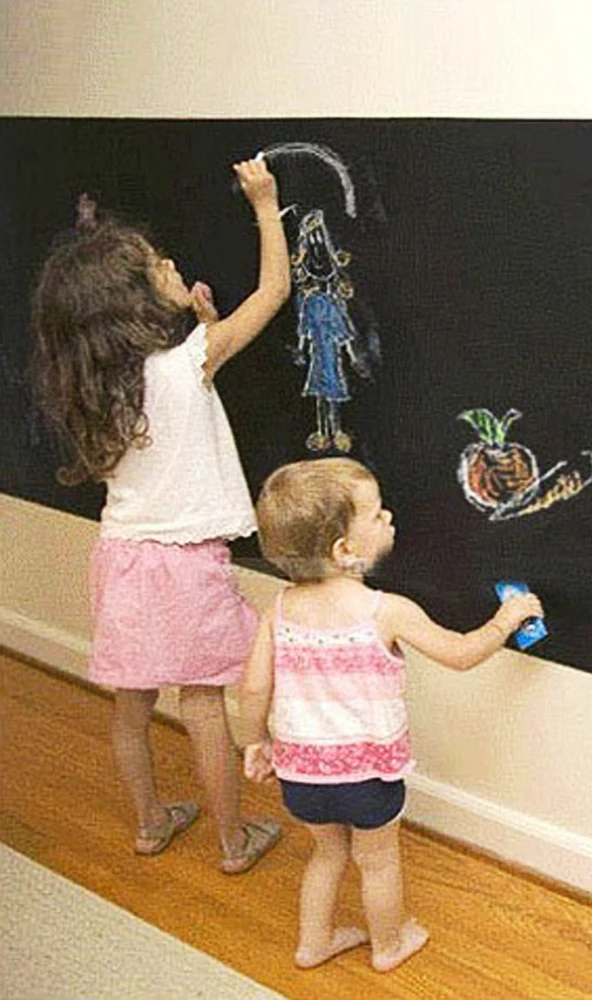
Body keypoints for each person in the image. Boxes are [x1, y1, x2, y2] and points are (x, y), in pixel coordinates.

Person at [31, 157, 291, 873]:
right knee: (203, 704)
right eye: (157, 265)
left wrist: (200, 319)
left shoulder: (93, 387)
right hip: (184, 565)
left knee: (132, 705)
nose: (171, 263)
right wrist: (265, 203)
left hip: (121, 559)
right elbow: (274, 291)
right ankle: (234, 841)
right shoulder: (188, 363)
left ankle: (150, 824)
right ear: (134, 300)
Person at [240, 457, 544, 972]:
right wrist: (505, 620)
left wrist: (255, 742)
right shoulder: (386, 611)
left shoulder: (281, 608)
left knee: (327, 854)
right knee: (377, 861)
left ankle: (313, 944)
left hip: (301, 774)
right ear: (344, 550)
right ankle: (388, 946)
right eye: (377, 513)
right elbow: (460, 653)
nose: (388, 517)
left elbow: (253, 687)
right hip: (368, 777)